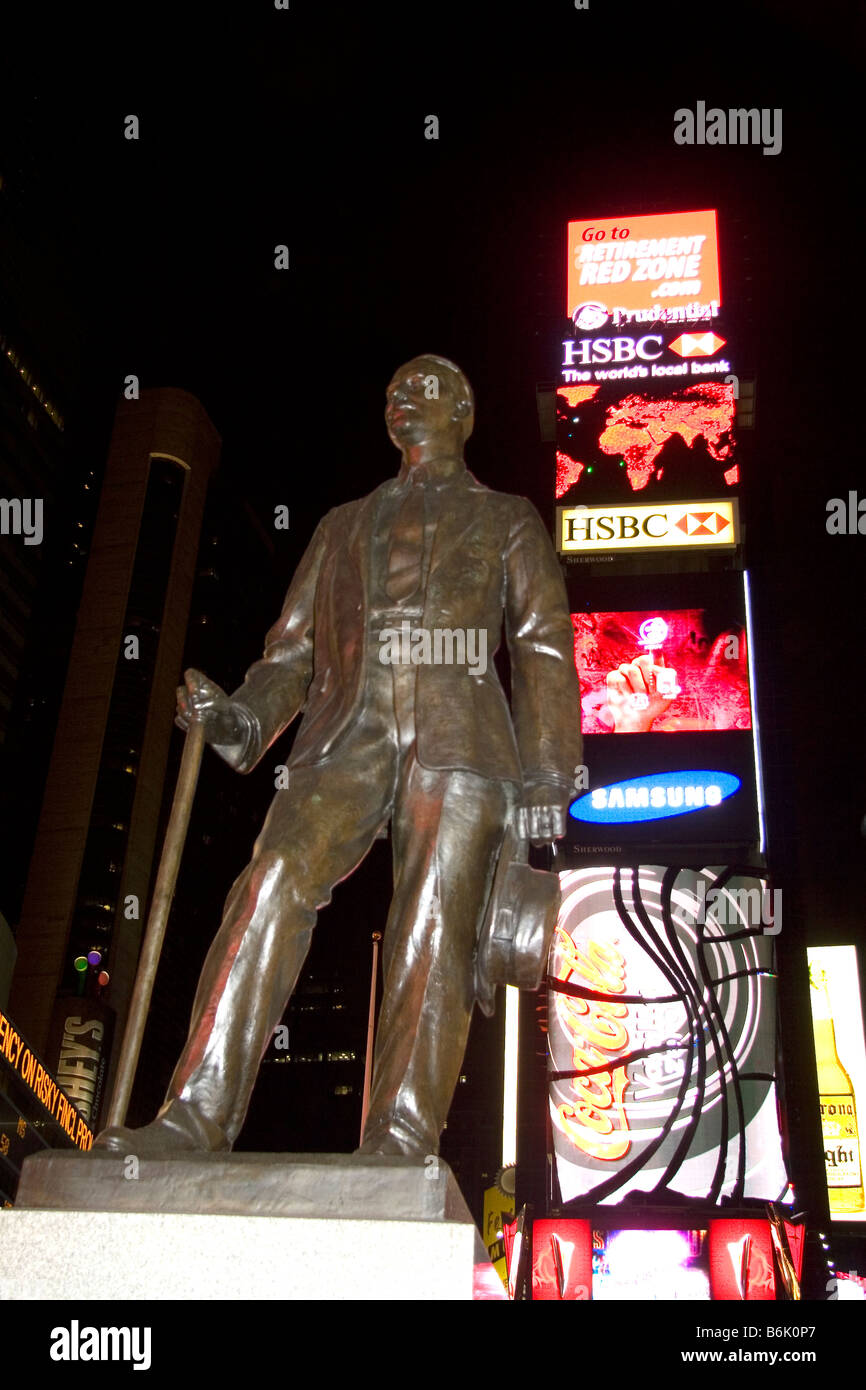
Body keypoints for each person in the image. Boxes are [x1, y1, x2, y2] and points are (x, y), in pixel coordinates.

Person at [95, 354, 581, 1159]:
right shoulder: (341, 525)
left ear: (464, 410)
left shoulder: (508, 519)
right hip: (346, 733)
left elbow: (541, 649)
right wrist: (240, 719)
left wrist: (547, 778)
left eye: (422, 386)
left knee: (431, 921)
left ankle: (398, 1135)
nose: (399, 397)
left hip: (461, 743)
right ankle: (194, 1113)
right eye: (390, 389)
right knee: (271, 880)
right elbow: (291, 655)